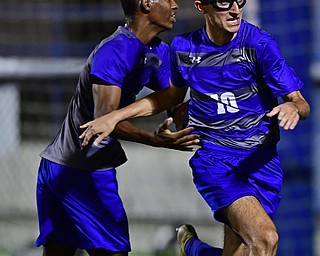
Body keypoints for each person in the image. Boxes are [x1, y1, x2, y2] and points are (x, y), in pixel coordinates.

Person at [79, 0, 311, 255]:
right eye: (224, 2)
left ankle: (192, 248)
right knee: (265, 238)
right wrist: (114, 117)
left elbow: (301, 103)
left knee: (242, 250)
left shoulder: (260, 44)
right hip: (216, 161)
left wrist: (293, 108)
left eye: (239, 1)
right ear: (203, 7)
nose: (235, 10)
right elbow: (170, 97)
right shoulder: (184, 48)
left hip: (261, 161)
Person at [34, 0, 201, 255]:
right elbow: (104, 120)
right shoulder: (114, 51)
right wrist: (153, 139)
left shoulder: (157, 51)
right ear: (146, 3)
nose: (175, 5)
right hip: (81, 170)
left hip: (58, 165)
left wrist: (184, 113)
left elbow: (172, 97)